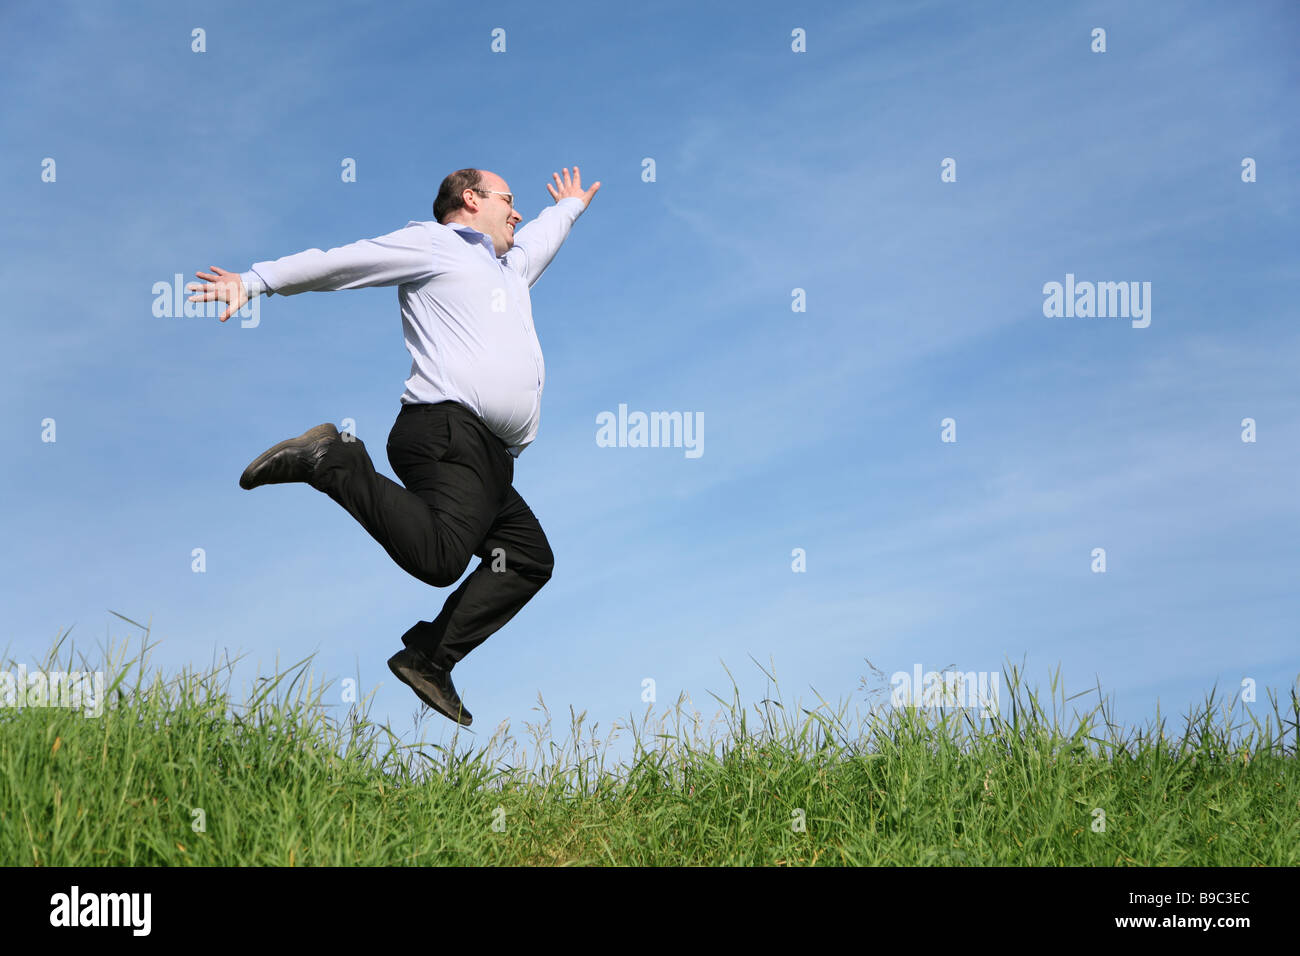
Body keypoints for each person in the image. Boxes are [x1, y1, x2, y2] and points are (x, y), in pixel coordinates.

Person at [187, 167, 600, 726]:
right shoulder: (435, 245)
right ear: (471, 199)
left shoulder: (507, 271)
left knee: (526, 559)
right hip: (447, 432)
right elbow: (343, 262)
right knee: (439, 559)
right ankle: (334, 461)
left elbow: (539, 239)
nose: (518, 213)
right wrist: (256, 280)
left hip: (488, 462)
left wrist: (570, 208)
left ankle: (429, 658)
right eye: (509, 200)